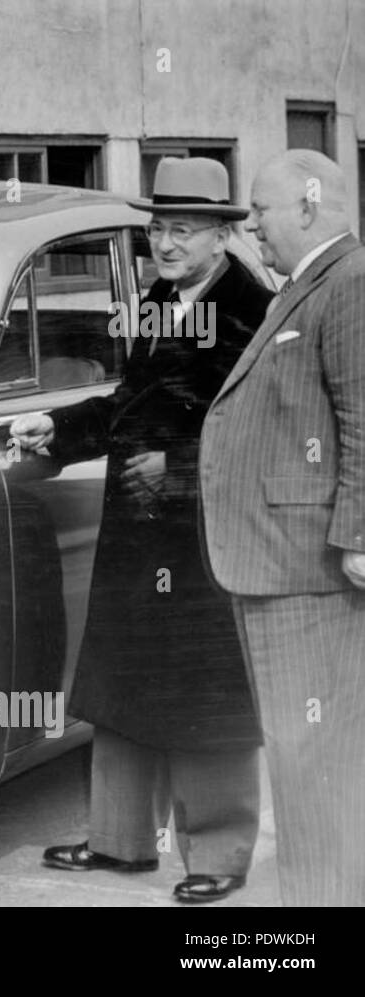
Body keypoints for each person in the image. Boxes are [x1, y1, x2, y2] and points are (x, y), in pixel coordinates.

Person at [11, 157, 272, 903]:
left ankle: (218, 853)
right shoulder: (162, 298)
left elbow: (258, 431)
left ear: (222, 236)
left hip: (204, 536)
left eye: (183, 230)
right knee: (123, 684)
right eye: (158, 227)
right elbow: (129, 407)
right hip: (139, 532)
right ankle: (120, 842)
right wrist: (55, 429)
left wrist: (177, 468)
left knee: (207, 697)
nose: (164, 242)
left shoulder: (251, 310)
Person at [200, 148, 365, 906]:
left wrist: (360, 537)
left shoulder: (350, 283)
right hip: (278, 567)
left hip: (309, 575)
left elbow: (364, 418)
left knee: (315, 765)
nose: (250, 227)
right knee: (303, 763)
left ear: (307, 202)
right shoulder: (307, 286)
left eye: (260, 211)